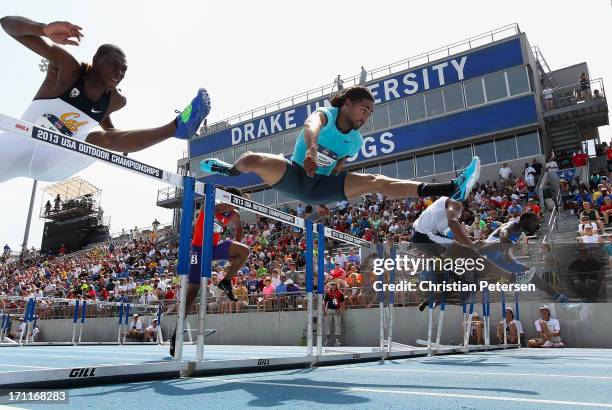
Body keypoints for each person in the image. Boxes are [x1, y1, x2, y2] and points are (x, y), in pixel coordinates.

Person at [0, 15, 210, 183]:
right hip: (14, 146)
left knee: (102, 140)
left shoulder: (116, 100)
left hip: (51, 161)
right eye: (113, 64)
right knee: (106, 138)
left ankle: (175, 128)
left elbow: (107, 129)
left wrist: (123, 140)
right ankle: (175, 128)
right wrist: (43, 29)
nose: (119, 73)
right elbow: (6, 24)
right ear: (96, 60)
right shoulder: (68, 69)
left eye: (124, 69)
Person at [201, 86, 480, 210]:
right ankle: (230, 173)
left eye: (370, 112)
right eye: (364, 109)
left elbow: (337, 168)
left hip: (319, 187)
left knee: (375, 181)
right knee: (251, 158)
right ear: (347, 105)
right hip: (296, 173)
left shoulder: (356, 141)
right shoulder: (327, 114)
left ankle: (449, 188)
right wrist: (310, 152)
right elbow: (310, 127)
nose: (366, 116)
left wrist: (325, 197)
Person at [169, 186, 250, 357]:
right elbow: (217, 209)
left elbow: (239, 228)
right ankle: (176, 332)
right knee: (193, 290)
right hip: (198, 249)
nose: (234, 208)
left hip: (213, 248)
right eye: (234, 202)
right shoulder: (214, 204)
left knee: (244, 251)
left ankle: (226, 281)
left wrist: (235, 245)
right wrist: (238, 202)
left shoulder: (234, 213)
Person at [323, 281, 345, 346]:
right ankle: (327, 340)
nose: (333, 286)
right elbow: (324, 302)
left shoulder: (340, 293)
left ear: (336, 286)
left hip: (337, 310)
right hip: (329, 310)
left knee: (338, 325)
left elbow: (342, 303)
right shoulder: (328, 293)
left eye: (334, 285)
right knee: (327, 325)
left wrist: (340, 309)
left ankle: (337, 341)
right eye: (332, 285)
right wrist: (324, 310)